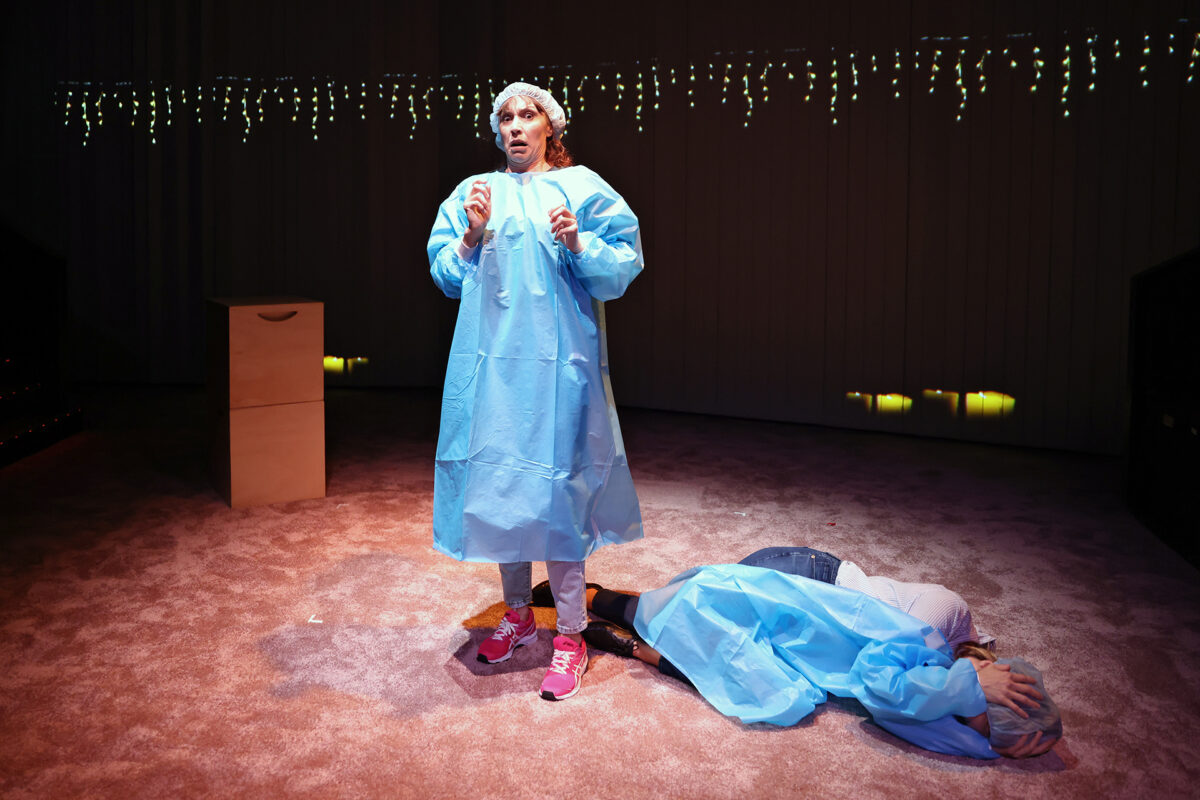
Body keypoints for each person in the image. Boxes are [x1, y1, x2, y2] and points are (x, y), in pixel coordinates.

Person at [426, 82, 645, 701]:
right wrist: (470, 235)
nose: (516, 126)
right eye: (506, 117)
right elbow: (444, 273)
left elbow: (622, 264)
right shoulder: (475, 192)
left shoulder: (581, 187)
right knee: (502, 489)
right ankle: (519, 615)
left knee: (559, 495)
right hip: (493, 370)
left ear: (551, 126)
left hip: (559, 371)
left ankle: (571, 635)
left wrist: (579, 242)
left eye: (528, 115)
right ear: (497, 130)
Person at [534, 547, 1061, 757]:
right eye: (987, 727)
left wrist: (987, 745)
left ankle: (630, 648)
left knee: (772, 692)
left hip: (804, 645)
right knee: (682, 615)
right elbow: (884, 691)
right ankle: (597, 598)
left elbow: (914, 718)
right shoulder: (929, 631)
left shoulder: (943, 682)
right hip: (793, 587)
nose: (978, 734)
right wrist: (964, 689)